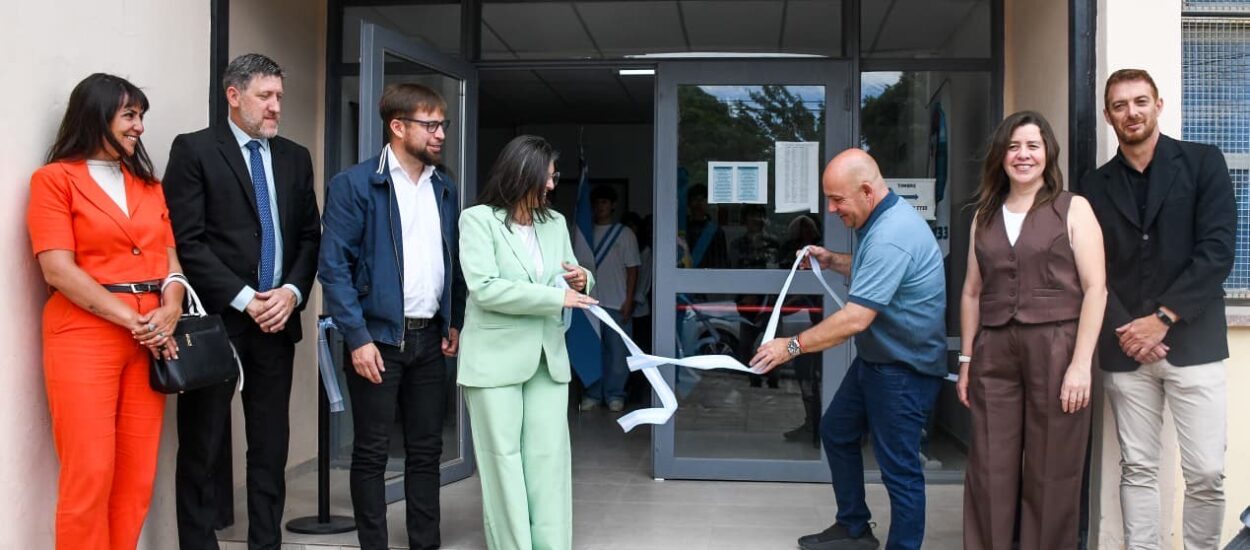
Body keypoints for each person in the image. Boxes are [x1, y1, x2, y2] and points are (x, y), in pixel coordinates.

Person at [163, 53, 322, 549]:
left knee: (270, 448)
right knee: (202, 446)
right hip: (217, 325)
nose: (276, 107)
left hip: (277, 325)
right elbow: (188, 242)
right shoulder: (194, 151)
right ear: (234, 96)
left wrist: (292, 293)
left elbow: (309, 238)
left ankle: (265, 543)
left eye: (279, 97)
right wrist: (245, 298)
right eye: (265, 97)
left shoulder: (295, 157)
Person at [753, 148, 946, 550]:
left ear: (867, 192)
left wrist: (791, 346)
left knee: (901, 472)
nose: (832, 208)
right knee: (837, 431)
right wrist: (832, 260)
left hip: (903, 370)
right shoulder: (883, 221)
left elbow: (856, 319)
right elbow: (871, 266)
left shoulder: (893, 233)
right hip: (879, 361)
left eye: (838, 199)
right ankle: (854, 527)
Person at [27, 73, 185, 550]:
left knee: (136, 474)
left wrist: (172, 304)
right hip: (84, 335)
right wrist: (131, 318)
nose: (139, 126)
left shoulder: (148, 185)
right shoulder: (54, 180)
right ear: (96, 115)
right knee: (90, 472)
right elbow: (57, 269)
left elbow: (169, 258)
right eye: (129, 116)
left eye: (141, 117)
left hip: (151, 338)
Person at [1080, 68, 1235, 550]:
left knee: (1207, 471)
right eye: (1121, 105)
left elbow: (1217, 251)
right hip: (1126, 346)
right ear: (1108, 115)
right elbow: (1092, 268)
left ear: (1159, 105)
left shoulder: (1204, 162)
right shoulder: (1094, 184)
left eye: (1140, 101)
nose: (1132, 112)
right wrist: (1129, 328)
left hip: (1194, 342)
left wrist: (1162, 318)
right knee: (1139, 467)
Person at [318, 82, 466, 550]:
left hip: (430, 341)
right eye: (430, 124)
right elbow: (333, 268)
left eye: (442, 124)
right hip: (376, 342)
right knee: (372, 454)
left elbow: (452, 260)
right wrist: (357, 337)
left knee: (427, 452)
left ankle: (426, 543)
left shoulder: (445, 187)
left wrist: (454, 320)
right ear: (397, 127)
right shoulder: (355, 184)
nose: (440, 133)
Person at [956, 111, 1106, 550]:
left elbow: (1096, 288)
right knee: (989, 464)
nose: (1023, 155)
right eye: (1014, 147)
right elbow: (970, 292)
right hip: (995, 349)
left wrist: (1080, 365)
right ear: (1001, 156)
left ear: (1047, 153)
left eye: (1032, 146)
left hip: (1058, 347)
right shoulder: (983, 215)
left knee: (1052, 466)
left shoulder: (1073, 207)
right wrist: (966, 360)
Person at [458, 135, 596, 550]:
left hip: (547, 358)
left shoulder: (553, 223)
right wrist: (557, 296)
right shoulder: (477, 220)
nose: (553, 186)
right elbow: (485, 288)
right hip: (493, 361)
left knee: (549, 460)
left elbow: (572, 275)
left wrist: (581, 278)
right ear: (524, 174)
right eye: (549, 177)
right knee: (503, 461)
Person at [578, 185, 640, 412]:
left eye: (605, 202)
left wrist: (629, 300)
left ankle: (615, 394)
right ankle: (592, 393)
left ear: (613, 205)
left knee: (617, 354)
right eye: (596, 203)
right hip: (589, 303)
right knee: (591, 349)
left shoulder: (624, 234)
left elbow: (633, 269)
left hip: (617, 301)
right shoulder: (583, 233)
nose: (600, 207)